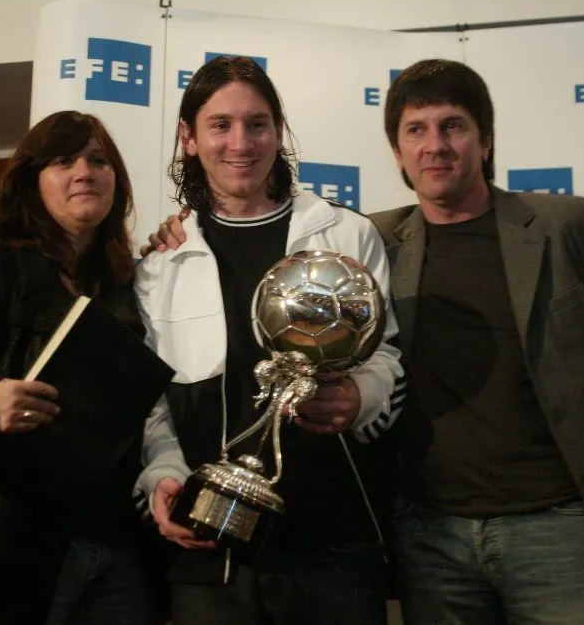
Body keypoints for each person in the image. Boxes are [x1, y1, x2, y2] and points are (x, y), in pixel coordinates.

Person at [145, 58, 584, 624]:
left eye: (454, 126)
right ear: (397, 153)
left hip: (541, 524)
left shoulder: (552, 225)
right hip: (417, 533)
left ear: (486, 139)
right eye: (416, 131)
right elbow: (152, 397)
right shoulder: (365, 238)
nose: (435, 147)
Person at [133, 55, 406, 625]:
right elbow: (152, 398)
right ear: (188, 137)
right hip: (209, 543)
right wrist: (164, 476)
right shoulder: (160, 263)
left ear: (278, 133)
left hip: (331, 540)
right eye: (220, 125)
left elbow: (388, 356)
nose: (241, 142)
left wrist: (361, 396)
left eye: (257, 124)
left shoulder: (347, 233)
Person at [0, 111, 157, 625]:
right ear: (31, 182)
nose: (84, 171)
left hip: (116, 549)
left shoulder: (127, 285)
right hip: (7, 553)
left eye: (98, 160)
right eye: (63, 160)